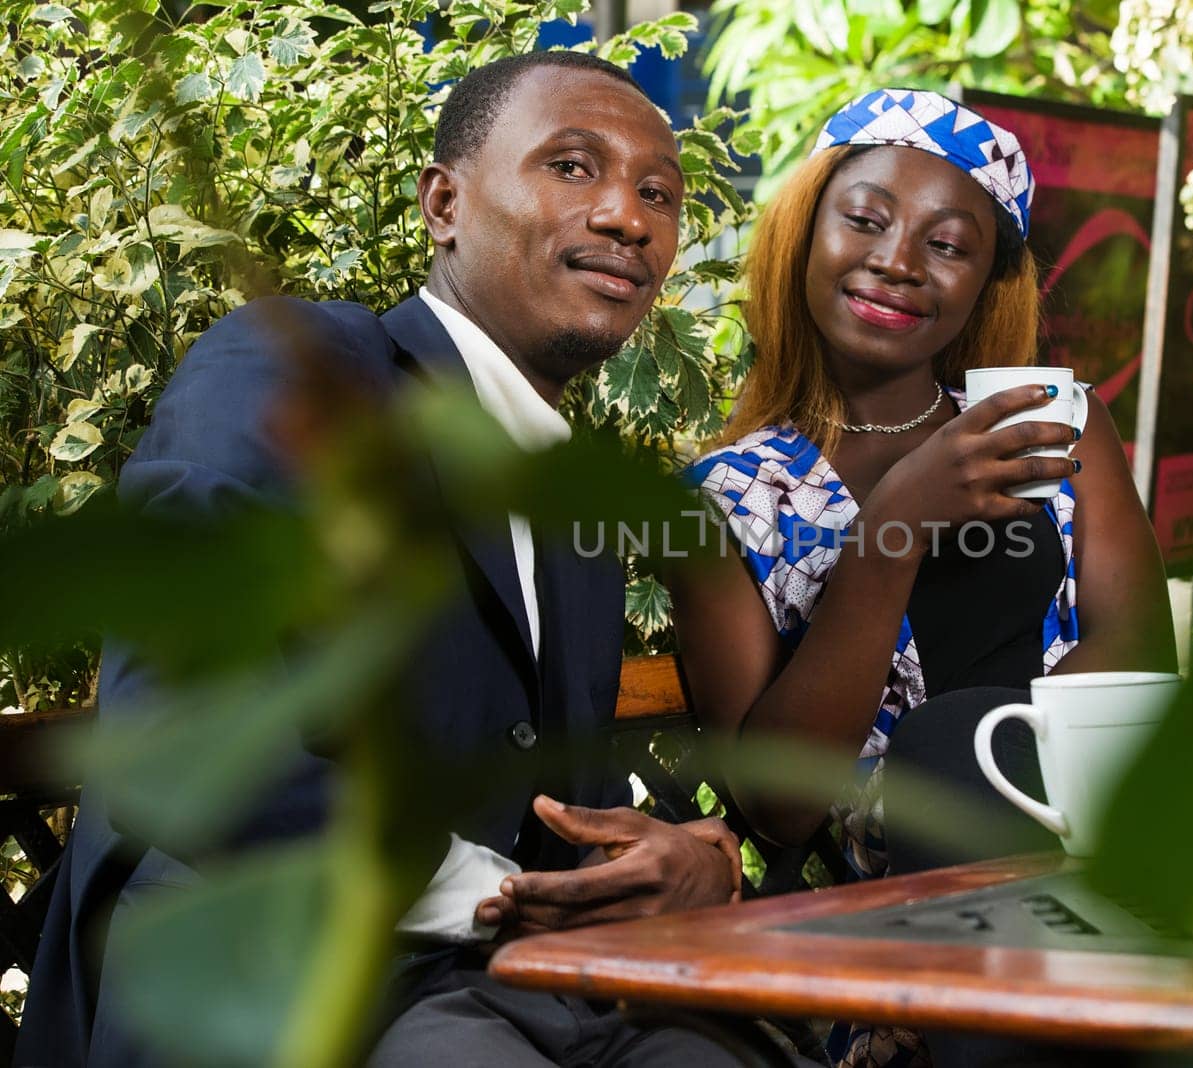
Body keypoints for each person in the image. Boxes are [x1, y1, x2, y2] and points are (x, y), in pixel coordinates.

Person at [18, 52, 810, 1068]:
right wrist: (506, 900)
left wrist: (696, 859)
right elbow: (187, 718)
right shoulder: (299, 367)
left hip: (506, 990)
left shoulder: (573, 508)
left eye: (659, 193)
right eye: (572, 166)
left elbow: (540, 801)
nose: (626, 216)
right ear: (444, 202)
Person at [672, 90, 1178, 1066]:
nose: (898, 261)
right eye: (864, 219)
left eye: (947, 244)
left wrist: (1005, 762)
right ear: (803, 231)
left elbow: (1137, 649)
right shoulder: (727, 493)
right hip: (904, 910)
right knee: (945, 747)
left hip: (1097, 829)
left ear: (988, 282)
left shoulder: (1053, 425)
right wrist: (892, 530)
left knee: (967, 740)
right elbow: (775, 806)